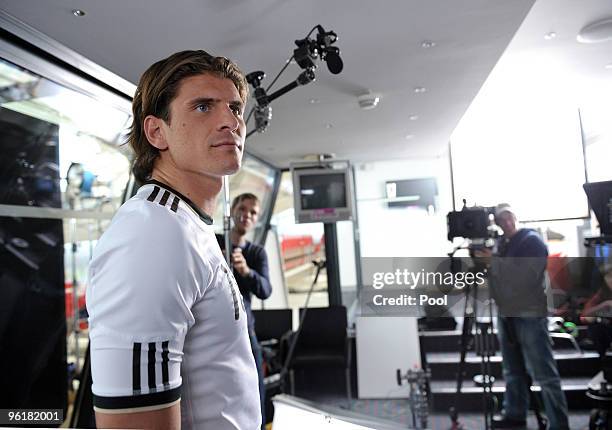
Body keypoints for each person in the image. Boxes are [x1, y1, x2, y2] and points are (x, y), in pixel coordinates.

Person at [86, 50, 261, 430]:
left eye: (234, 108)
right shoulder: (152, 234)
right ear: (156, 132)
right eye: (203, 107)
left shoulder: (186, 226)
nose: (230, 121)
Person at [474, 204, 569, 430]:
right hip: (506, 313)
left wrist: (494, 262)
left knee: (544, 373)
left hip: (529, 314)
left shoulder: (531, 240)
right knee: (512, 370)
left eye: (509, 217)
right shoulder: (500, 245)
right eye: (501, 219)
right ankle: (515, 414)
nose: (506, 222)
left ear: (515, 218)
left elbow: (527, 275)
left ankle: (559, 424)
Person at [217, 193, 272, 429]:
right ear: (233, 211)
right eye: (243, 208)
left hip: (244, 330)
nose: (246, 215)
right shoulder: (213, 242)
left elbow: (265, 290)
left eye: (253, 213)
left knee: (253, 385)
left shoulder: (257, 253)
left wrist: (247, 272)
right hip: (213, 328)